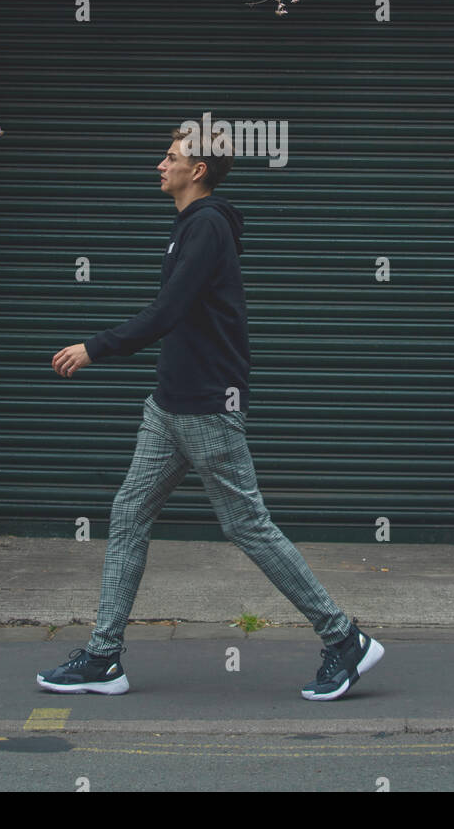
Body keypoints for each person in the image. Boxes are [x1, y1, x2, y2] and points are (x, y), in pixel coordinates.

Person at [36, 123, 384, 701]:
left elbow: (168, 310)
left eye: (170, 156)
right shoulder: (189, 226)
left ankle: (344, 637)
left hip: (204, 406)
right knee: (127, 516)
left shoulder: (207, 226)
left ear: (197, 170)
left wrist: (95, 347)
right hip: (169, 405)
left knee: (248, 525)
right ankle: (103, 657)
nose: (159, 164)